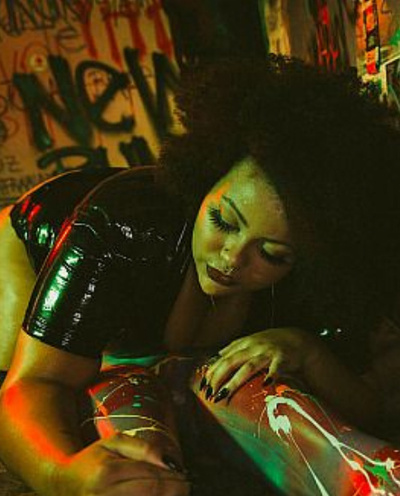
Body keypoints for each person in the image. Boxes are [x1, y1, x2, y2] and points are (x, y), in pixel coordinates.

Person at [1, 54, 400, 496]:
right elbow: (35, 383)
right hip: (33, 240)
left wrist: (305, 350)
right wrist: (60, 476)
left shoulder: (309, 279)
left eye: (270, 254)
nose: (232, 258)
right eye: (223, 222)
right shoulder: (120, 228)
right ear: (205, 182)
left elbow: (368, 405)